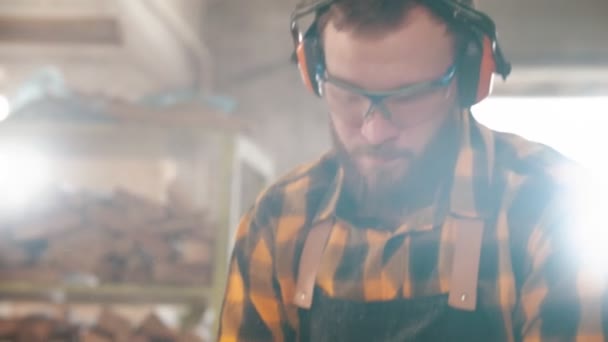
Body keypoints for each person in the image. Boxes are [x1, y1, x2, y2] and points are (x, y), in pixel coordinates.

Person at [218, 0, 607, 341]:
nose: (375, 131)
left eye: (410, 97)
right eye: (347, 94)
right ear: (312, 70)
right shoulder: (279, 222)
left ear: (469, 77)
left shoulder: (554, 208)